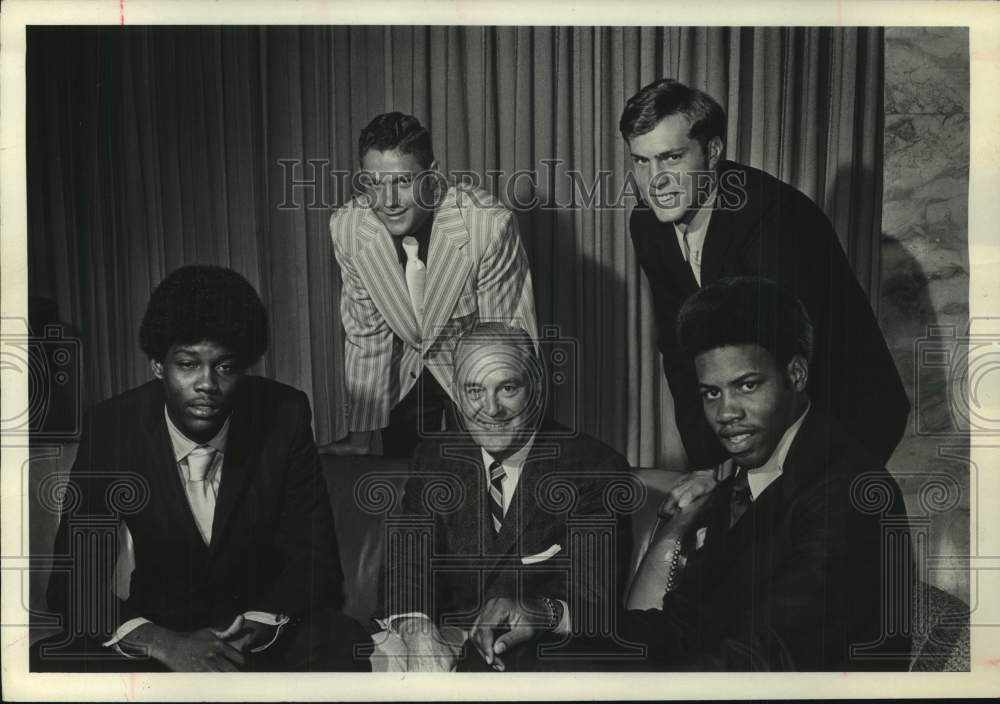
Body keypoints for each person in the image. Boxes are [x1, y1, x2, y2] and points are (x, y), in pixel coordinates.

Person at [34, 265, 369, 672]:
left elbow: (316, 563)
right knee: (46, 661)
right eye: (188, 364)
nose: (207, 383)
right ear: (159, 365)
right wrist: (163, 643)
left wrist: (259, 624)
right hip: (162, 633)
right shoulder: (114, 428)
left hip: (259, 634)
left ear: (243, 367)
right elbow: (73, 584)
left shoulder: (283, 414)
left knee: (341, 641)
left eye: (224, 367)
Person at [620, 78, 910, 510]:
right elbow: (681, 351)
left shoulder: (776, 219)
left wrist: (765, 476)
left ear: (713, 152)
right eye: (641, 162)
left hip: (845, 412)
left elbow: (800, 363)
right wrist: (706, 464)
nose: (654, 181)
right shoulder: (648, 225)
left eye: (671, 158)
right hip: (766, 415)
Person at [623, 276, 912, 671]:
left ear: (795, 374)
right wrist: (557, 621)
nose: (726, 413)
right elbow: (679, 628)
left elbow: (767, 654)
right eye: (712, 393)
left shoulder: (851, 490)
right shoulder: (744, 477)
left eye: (746, 385)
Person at [372, 323, 633, 672]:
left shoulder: (594, 467)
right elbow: (407, 564)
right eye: (474, 391)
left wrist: (539, 610)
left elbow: (594, 601)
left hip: (531, 658)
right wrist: (416, 628)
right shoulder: (435, 457)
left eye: (507, 387)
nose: (490, 410)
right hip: (441, 645)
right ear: (455, 393)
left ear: (536, 388)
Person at [329, 112, 537, 457]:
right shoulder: (349, 229)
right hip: (405, 368)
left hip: (477, 368)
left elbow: (505, 338)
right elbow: (366, 335)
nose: (387, 200)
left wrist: (503, 434)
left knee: (482, 478)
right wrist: (360, 438)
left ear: (432, 175)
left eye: (403, 181)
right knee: (407, 483)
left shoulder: (487, 226)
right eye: (374, 183)